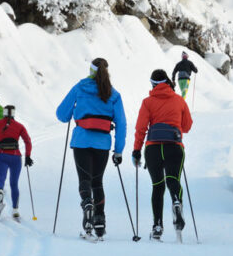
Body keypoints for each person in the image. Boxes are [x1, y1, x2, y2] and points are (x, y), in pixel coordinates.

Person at [56, 58, 127, 238]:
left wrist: (74, 111)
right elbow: (122, 124)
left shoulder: (80, 88)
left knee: (84, 180)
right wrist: (118, 151)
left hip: (81, 141)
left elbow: (61, 114)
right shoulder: (114, 94)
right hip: (102, 144)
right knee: (97, 181)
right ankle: (99, 219)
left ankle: (87, 203)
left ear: (91, 70)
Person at [132, 69, 193, 240]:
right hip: (174, 147)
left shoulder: (147, 102)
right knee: (173, 180)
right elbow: (187, 126)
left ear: (153, 84)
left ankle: (157, 226)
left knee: (158, 186)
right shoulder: (179, 100)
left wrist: (136, 151)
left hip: (153, 148)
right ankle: (176, 202)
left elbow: (141, 128)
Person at [0, 105, 33, 220]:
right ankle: (15, 210)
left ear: (4, 113)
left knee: (1, 179)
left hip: (1, 155)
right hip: (16, 157)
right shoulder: (20, 126)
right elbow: (28, 141)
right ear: (14, 114)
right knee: (14, 184)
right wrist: (27, 156)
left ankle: (0, 191)